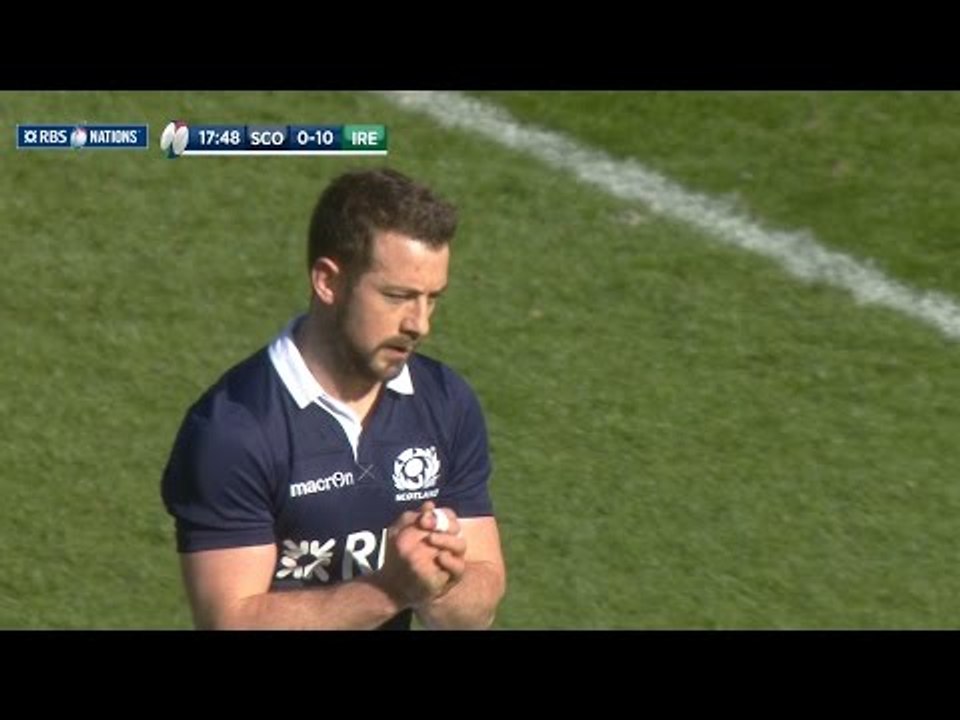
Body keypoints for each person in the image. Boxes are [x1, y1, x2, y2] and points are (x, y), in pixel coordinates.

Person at [161, 168, 506, 630]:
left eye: (432, 299)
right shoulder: (234, 429)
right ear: (328, 282)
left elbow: (479, 605)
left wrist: (442, 580)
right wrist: (389, 590)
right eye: (398, 296)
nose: (418, 324)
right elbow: (232, 621)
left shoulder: (445, 402)